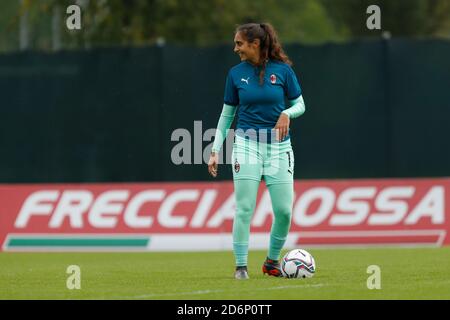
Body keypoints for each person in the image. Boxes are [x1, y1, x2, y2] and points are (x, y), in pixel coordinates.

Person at [207, 22, 306, 280]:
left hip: (279, 148)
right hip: (246, 146)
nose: (235, 48)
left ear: (256, 44)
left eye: (239, 43)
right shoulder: (235, 74)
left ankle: (272, 262)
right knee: (244, 208)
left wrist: (287, 112)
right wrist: (215, 149)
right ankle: (241, 267)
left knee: (284, 211)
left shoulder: (283, 71)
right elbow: (227, 114)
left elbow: (300, 105)